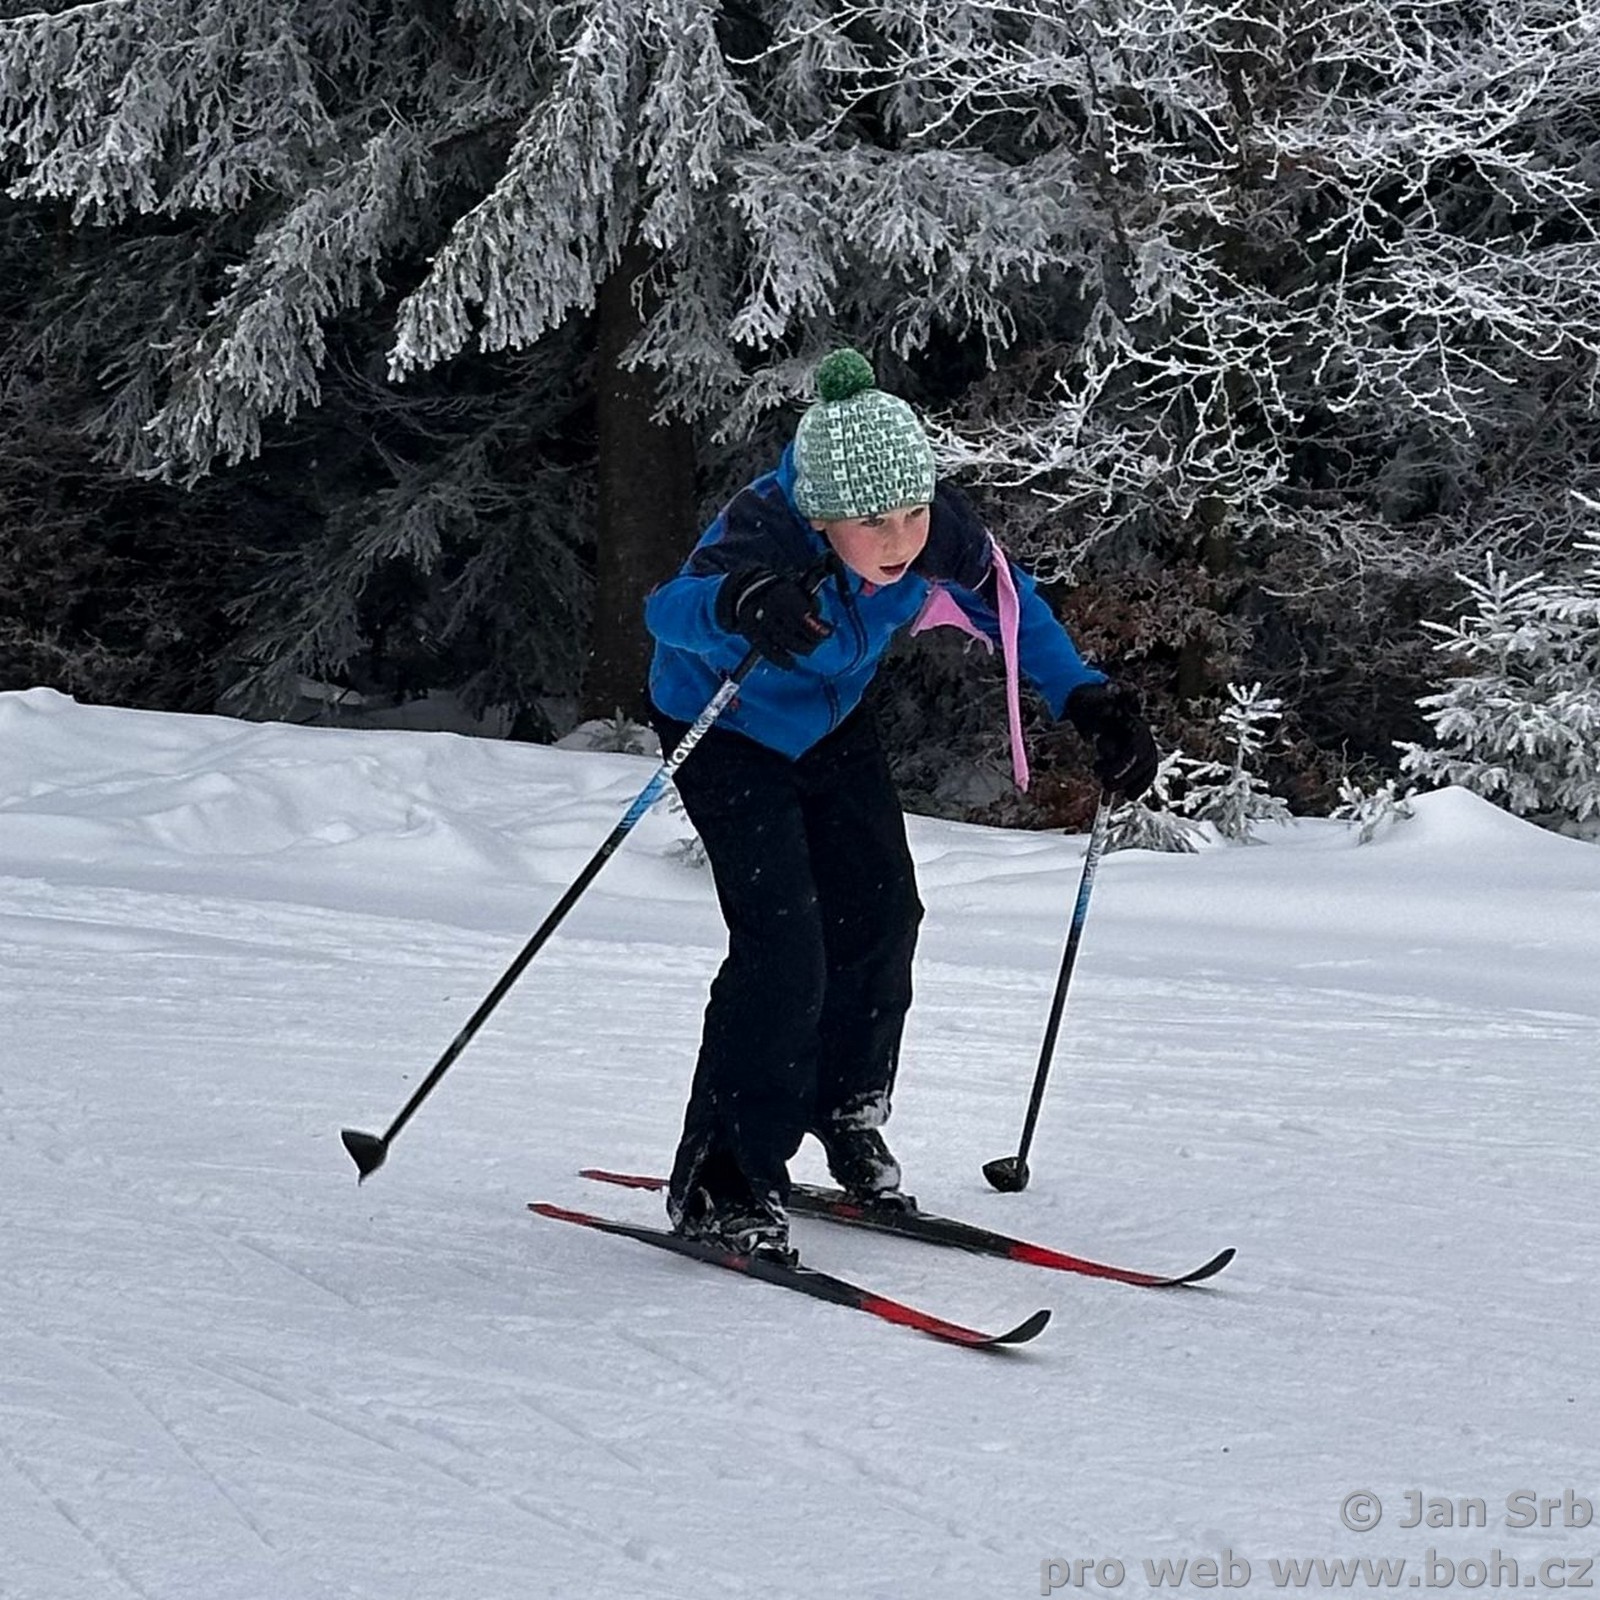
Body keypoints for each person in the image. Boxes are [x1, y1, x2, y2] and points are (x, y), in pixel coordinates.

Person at [644, 347, 1157, 1260]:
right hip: (725, 728)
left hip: (829, 724)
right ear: (822, 516)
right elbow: (667, 609)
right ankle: (724, 1176)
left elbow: (1008, 602)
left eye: (914, 512)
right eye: (874, 523)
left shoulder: (937, 530)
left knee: (883, 912)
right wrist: (739, 600)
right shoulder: (767, 527)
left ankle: (843, 1108)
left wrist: (1084, 695)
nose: (901, 540)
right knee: (783, 946)